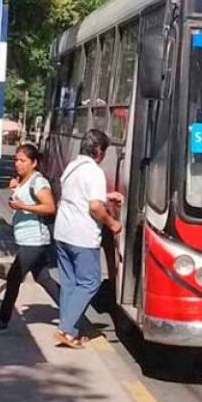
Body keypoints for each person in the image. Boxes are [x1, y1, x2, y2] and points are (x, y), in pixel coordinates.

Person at [53, 129, 123, 348]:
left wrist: (105, 197)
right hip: (81, 236)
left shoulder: (72, 167)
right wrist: (112, 223)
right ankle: (66, 328)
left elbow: (79, 196)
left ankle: (71, 332)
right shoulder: (94, 171)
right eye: (104, 152)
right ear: (97, 151)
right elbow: (94, 207)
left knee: (69, 282)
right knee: (90, 282)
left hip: (62, 232)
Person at [0, 144, 60, 335]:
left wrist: (24, 206)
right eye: (17, 160)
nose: (18, 164)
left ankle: (2, 319)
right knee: (44, 278)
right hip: (26, 239)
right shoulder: (22, 181)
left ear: (34, 163)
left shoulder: (38, 182)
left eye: (23, 160)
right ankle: (72, 312)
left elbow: (50, 207)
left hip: (35, 240)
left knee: (14, 277)